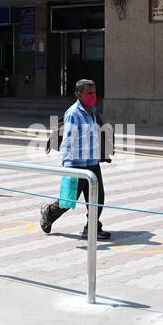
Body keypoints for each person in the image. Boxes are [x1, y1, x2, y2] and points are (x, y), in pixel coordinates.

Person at [39, 78, 110, 241]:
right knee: (68, 200)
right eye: (89, 93)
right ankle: (49, 212)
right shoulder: (73, 114)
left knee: (98, 199)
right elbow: (68, 141)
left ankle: (91, 228)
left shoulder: (91, 111)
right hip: (77, 165)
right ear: (79, 94)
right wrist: (68, 166)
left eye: (94, 92)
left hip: (92, 163)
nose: (93, 96)